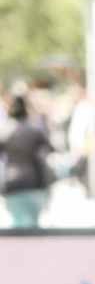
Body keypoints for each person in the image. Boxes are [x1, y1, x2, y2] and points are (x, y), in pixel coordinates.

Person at [0, 95, 54, 227]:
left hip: (12, 181)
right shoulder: (35, 131)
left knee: (18, 222)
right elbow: (50, 150)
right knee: (31, 223)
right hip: (33, 180)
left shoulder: (5, 131)